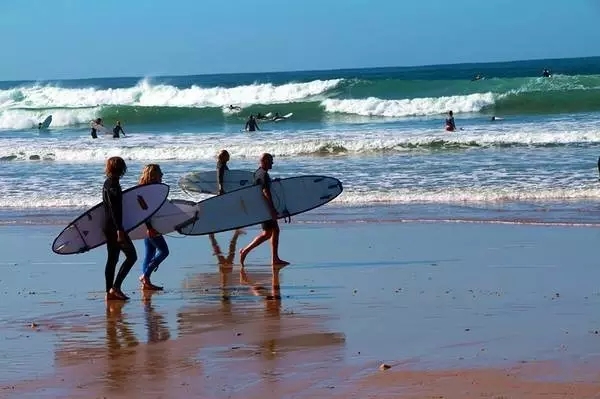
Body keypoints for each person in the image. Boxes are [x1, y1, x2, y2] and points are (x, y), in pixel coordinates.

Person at [239, 153, 289, 267]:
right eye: (270, 161)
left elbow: (261, 187)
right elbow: (265, 192)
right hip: (266, 208)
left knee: (270, 232)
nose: (272, 163)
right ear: (265, 161)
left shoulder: (258, 173)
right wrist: (272, 209)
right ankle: (248, 252)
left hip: (262, 208)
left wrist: (273, 182)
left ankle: (272, 257)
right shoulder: (264, 175)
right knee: (270, 232)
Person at [103, 156, 137, 300]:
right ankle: (115, 288)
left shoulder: (108, 182)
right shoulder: (113, 185)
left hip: (108, 226)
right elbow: (114, 209)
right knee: (132, 256)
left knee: (112, 259)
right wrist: (120, 230)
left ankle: (109, 292)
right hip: (115, 227)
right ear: (121, 169)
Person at [138, 164, 169, 291]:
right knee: (164, 251)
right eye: (160, 173)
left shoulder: (147, 189)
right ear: (153, 175)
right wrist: (149, 227)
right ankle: (145, 276)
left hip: (148, 226)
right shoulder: (145, 191)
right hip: (150, 226)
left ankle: (146, 281)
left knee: (149, 254)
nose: (162, 175)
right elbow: (143, 211)